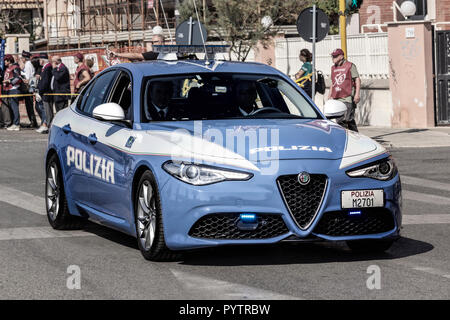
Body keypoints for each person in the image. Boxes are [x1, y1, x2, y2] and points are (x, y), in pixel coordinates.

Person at [328, 48, 361, 132]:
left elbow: (357, 79)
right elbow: (333, 83)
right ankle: (344, 137)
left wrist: (357, 94)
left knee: (348, 119)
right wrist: (329, 95)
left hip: (348, 97)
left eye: (335, 56)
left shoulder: (350, 65)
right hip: (336, 97)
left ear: (341, 56)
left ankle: (356, 136)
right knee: (339, 120)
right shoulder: (333, 68)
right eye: (332, 56)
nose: (333, 58)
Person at [3, 54, 23, 131]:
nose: (4, 62)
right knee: (12, 107)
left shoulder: (15, 67)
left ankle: (16, 124)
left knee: (15, 107)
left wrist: (9, 81)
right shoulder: (8, 68)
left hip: (14, 89)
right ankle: (14, 123)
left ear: (9, 60)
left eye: (5, 60)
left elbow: (18, 78)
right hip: (9, 89)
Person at [19, 51, 38, 128]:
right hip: (30, 86)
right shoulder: (27, 64)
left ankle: (33, 122)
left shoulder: (28, 65)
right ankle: (32, 122)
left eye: (22, 58)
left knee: (29, 105)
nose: (21, 59)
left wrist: (20, 75)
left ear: (24, 58)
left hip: (29, 87)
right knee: (28, 105)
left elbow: (28, 78)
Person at [37, 53, 53, 134]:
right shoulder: (44, 68)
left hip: (46, 93)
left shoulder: (47, 68)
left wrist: (40, 91)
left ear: (43, 60)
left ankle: (48, 126)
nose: (39, 61)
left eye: (40, 59)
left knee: (48, 111)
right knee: (46, 110)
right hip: (44, 93)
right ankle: (46, 125)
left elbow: (45, 82)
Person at [30, 54, 46, 129]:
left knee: (41, 107)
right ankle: (43, 122)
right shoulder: (37, 69)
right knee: (37, 107)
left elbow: (40, 80)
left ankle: (44, 123)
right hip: (37, 91)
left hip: (41, 91)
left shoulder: (41, 69)